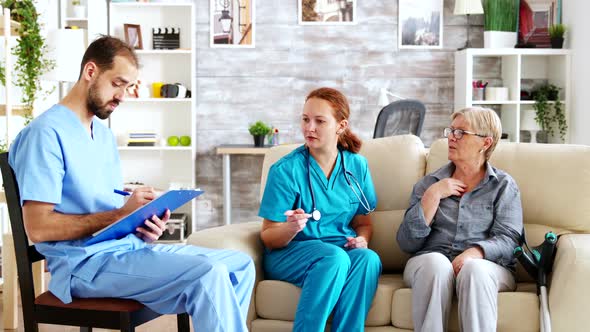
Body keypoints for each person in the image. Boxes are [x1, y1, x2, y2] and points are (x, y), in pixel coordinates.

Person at [9, 36, 254, 332]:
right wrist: (120, 215)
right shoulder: (44, 135)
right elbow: (39, 227)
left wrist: (142, 222)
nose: (122, 96)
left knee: (239, 264)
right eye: (117, 84)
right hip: (83, 266)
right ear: (90, 72)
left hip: (127, 251)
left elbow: (108, 209)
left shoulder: (102, 136)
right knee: (209, 273)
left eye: (127, 87)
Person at [258, 87, 381, 332]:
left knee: (368, 259)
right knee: (333, 258)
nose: (308, 128)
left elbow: (363, 223)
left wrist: (362, 241)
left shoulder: (357, 166)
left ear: (341, 125)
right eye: (305, 119)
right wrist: (291, 228)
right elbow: (269, 237)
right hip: (291, 252)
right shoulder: (286, 170)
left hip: (340, 249)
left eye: (319, 121)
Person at [397, 107, 523, 332]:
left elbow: (510, 239)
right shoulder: (429, 184)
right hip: (429, 262)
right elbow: (406, 243)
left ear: (485, 143)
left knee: (474, 269)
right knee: (436, 263)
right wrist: (432, 196)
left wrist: (476, 252)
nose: (451, 138)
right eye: (451, 131)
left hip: (487, 267)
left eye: (461, 133)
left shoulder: (503, 186)